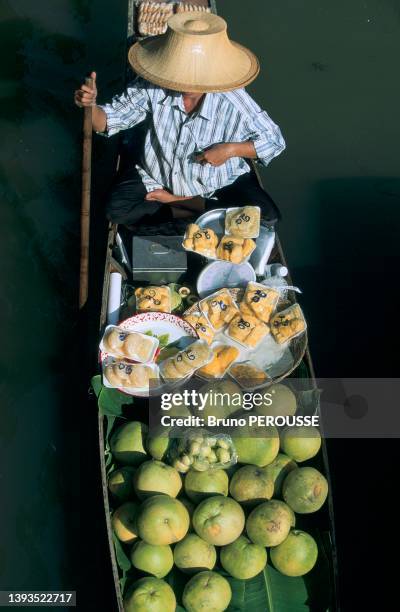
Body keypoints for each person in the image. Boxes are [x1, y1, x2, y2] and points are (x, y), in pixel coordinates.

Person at [74, 12, 285, 228]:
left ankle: (188, 204)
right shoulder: (152, 85)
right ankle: (188, 211)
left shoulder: (233, 98)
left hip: (215, 183)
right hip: (157, 175)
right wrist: (91, 107)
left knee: (266, 218)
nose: (186, 83)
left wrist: (229, 150)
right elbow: (109, 120)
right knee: (116, 210)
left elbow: (274, 140)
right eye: (180, 74)